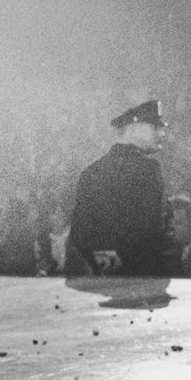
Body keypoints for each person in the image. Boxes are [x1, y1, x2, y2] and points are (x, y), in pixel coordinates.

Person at [68, 100, 172, 276]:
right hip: (144, 282)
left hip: (103, 279)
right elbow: (154, 230)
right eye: (154, 127)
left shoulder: (91, 171)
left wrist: (103, 260)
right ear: (132, 129)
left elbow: (79, 231)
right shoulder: (148, 170)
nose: (161, 133)